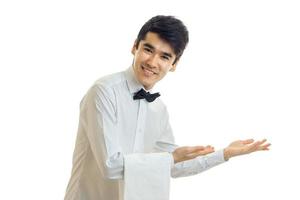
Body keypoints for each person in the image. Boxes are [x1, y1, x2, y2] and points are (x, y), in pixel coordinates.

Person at [64, 15, 271, 200]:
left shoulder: (158, 109)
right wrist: (171, 158)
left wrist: (225, 153)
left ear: (174, 64)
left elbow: (173, 167)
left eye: (165, 56)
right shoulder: (103, 91)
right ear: (134, 47)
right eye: (148, 49)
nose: (153, 62)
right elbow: (110, 166)